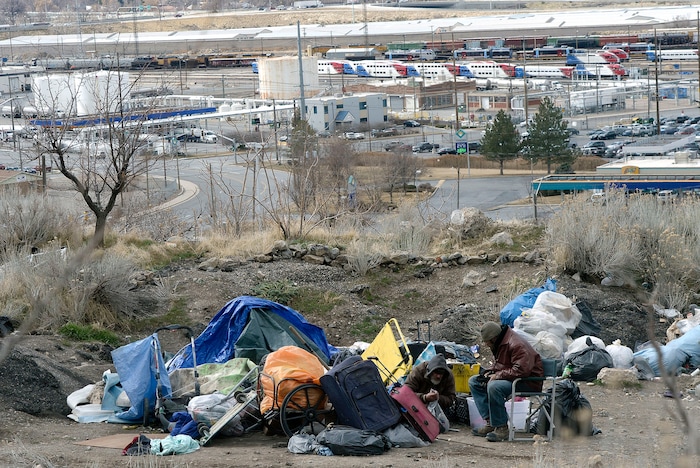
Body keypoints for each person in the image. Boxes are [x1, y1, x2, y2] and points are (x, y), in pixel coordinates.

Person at [468, 321, 544, 442]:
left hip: (528, 382)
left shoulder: (516, 344)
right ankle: (491, 422)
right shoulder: (501, 342)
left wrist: (498, 375)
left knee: (494, 386)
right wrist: (490, 372)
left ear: (493, 338)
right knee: (474, 382)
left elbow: (521, 370)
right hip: (513, 379)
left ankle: (501, 427)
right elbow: (503, 364)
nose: (486, 345)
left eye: (487, 341)